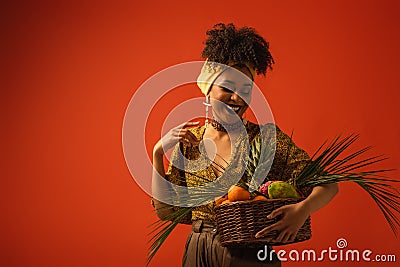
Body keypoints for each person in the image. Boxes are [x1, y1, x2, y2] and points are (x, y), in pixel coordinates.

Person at [151, 23, 338, 267]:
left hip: (250, 253)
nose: (237, 97)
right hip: (198, 251)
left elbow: (329, 185)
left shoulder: (266, 140)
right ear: (207, 90)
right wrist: (157, 153)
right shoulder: (189, 142)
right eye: (227, 87)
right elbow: (167, 212)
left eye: (245, 89)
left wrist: (302, 210)